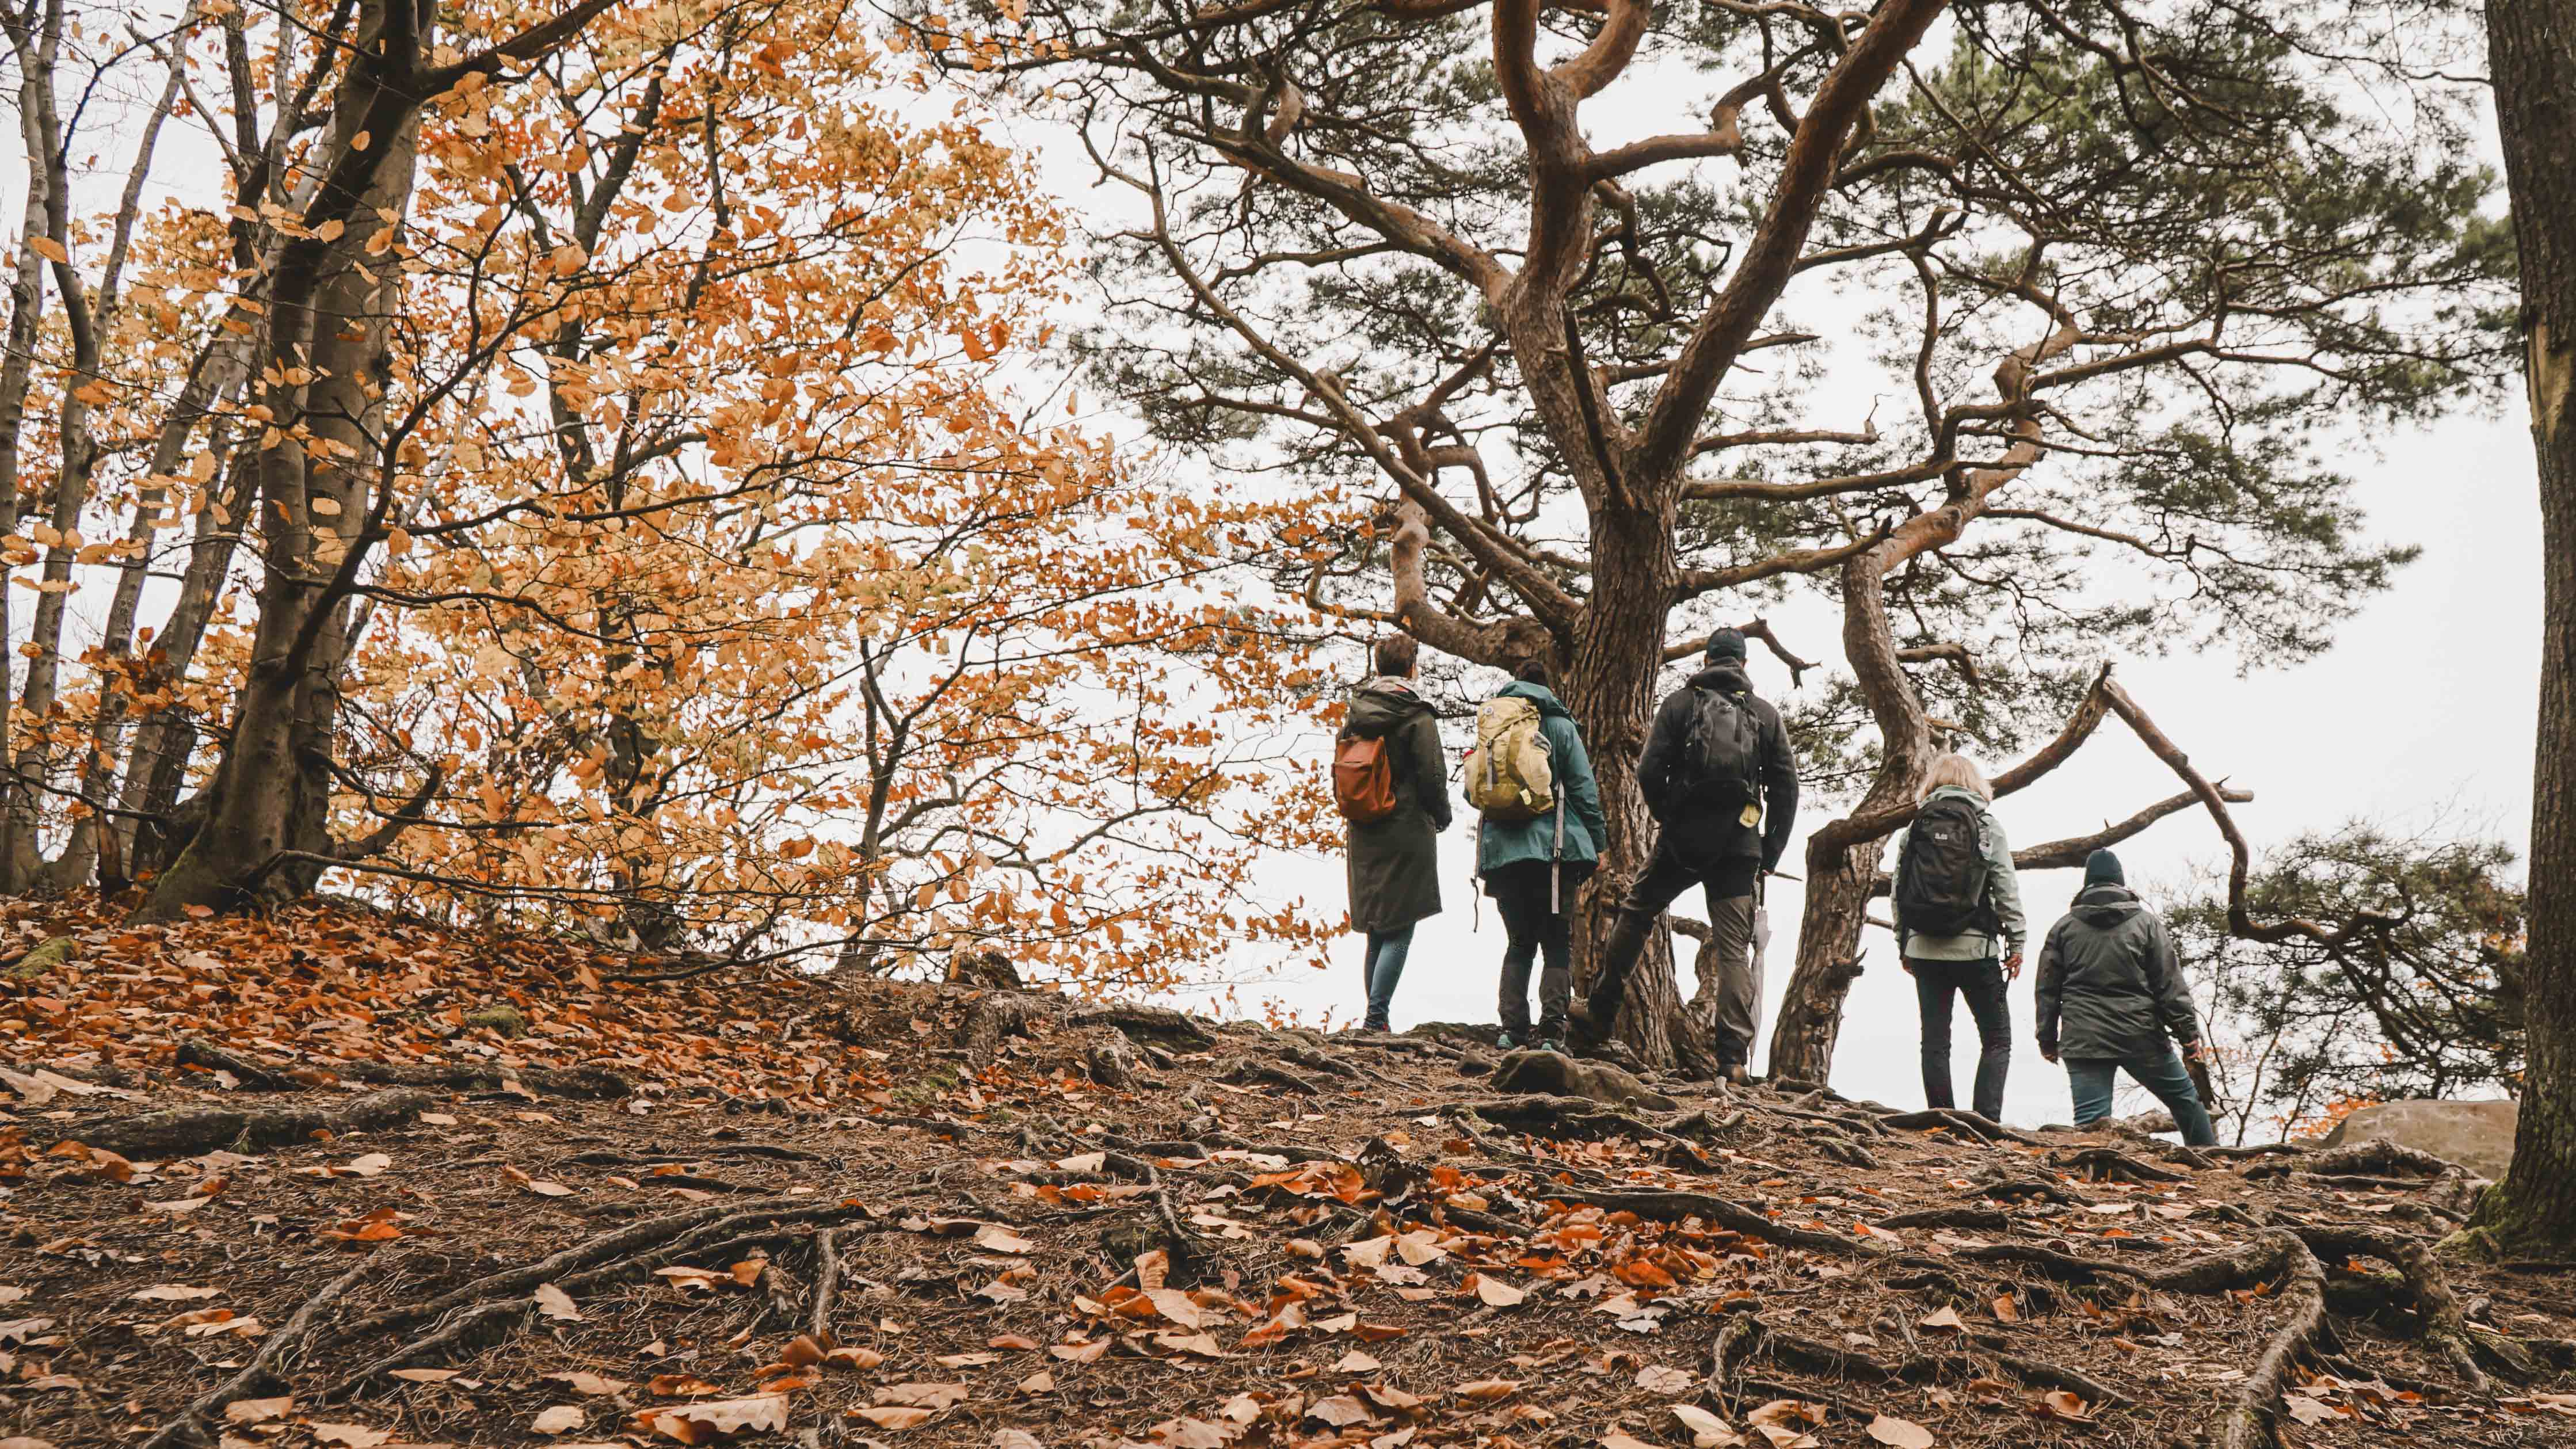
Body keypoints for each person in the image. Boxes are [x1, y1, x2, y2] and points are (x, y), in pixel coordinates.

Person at [1571, 628, 1797, 1079]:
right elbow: (1787, 786)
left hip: (1682, 841)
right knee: (1734, 947)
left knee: (1636, 913)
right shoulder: (1765, 714)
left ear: (1708, 658)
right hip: (1740, 846)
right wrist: (1769, 850)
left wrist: (1669, 817)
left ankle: (1599, 1013)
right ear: (1744, 665)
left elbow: (1649, 770)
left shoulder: (1679, 704)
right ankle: (1731, 1059)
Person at [2034, 849, 2220, 1146]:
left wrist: (2046, 1038)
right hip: (2141, 1034)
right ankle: (2212, 1164)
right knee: (2187, 1101)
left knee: (2091, 1127)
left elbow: (2047, 989)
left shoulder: (2064, 928)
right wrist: (2189, 1035)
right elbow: (2169, 985)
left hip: (2084, 1038)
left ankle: (2091, 1183)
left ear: (2086, 884)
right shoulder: (2146, 924)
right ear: (2121, 883)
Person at [1472, 658, 1609, 1053]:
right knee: (1555, 943)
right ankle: (1551, 1034)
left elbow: (1473, 790)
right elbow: (1583, 789)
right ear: (1547, 687)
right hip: (1554, 855)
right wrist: (1598, 843)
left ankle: (1511, 1032)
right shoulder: (1560, 727)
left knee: (1518, 942)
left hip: (1504, 856)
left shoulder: (1494, 727)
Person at [1892, 753, 2027, 1122]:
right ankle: (1985, 1121)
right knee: (1997, 1038)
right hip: (1976, 949)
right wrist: (2017, 943)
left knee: (1935, 1039)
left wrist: (1903, 942)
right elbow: (2006, 888)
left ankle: (1942, 1119)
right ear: (1976, 784)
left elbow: (1898, 888)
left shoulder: (1916, 827)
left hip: (1923, 947)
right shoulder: (1986, 826)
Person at [1340, 635, 1450, 1031]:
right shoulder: (1417, 716)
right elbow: (1432, 775)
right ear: (1410, 668)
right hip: (1406, 827)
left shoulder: (1356, 713)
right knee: (1401, 926)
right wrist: (1442, 815)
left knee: (1377, 929)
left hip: (1365, 827)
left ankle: (1376, 1018)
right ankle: (1376, 1017)